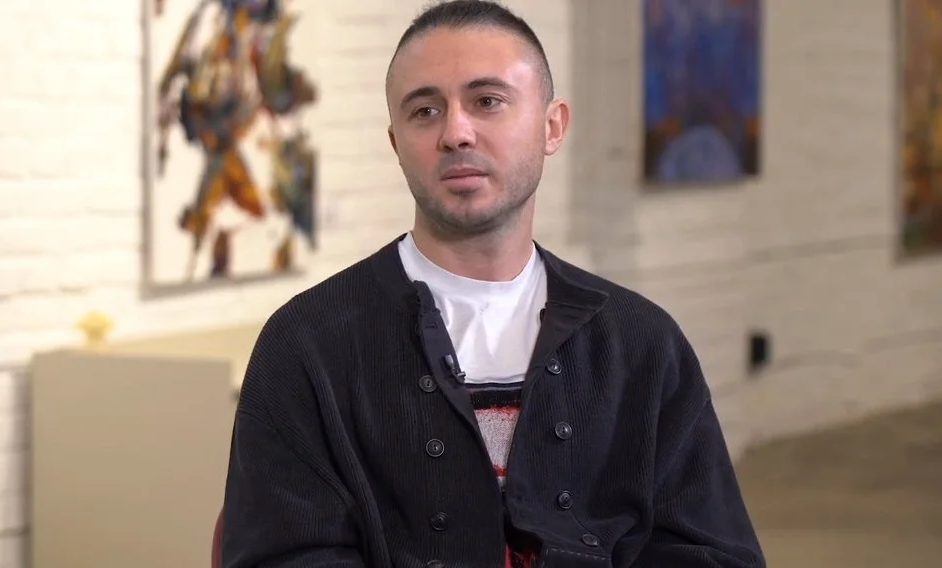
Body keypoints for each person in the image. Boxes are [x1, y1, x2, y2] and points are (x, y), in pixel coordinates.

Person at [219, 1, 767, 567]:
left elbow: (711, 553)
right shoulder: (308, 346)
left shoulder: (641, 344)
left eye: (487, 101)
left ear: (552, 126)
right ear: (396, 143)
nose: (456, 132)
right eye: (425, 111)